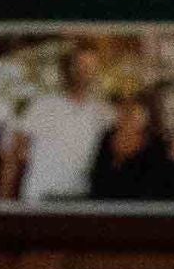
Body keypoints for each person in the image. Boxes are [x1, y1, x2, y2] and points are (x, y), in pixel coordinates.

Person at [9, 42, 115, 203]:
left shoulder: (106, 114)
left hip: (82, 199)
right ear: (67, 68)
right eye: (79, 64)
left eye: (90, 66)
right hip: (40, 197)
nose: (84, 71)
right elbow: (13, 157)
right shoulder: (41, 105)